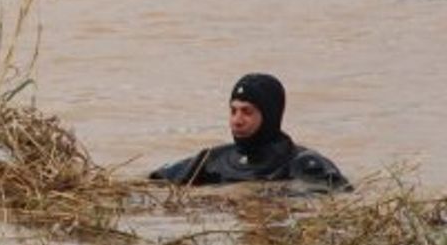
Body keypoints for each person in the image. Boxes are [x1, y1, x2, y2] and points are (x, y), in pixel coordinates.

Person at [149, 73, 350, 192]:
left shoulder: (304, 164)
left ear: (270, 115)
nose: (237, 120)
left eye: (247, 112)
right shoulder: (212, 159)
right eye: (233, 110)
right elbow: (151, 184)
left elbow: (331, 201)